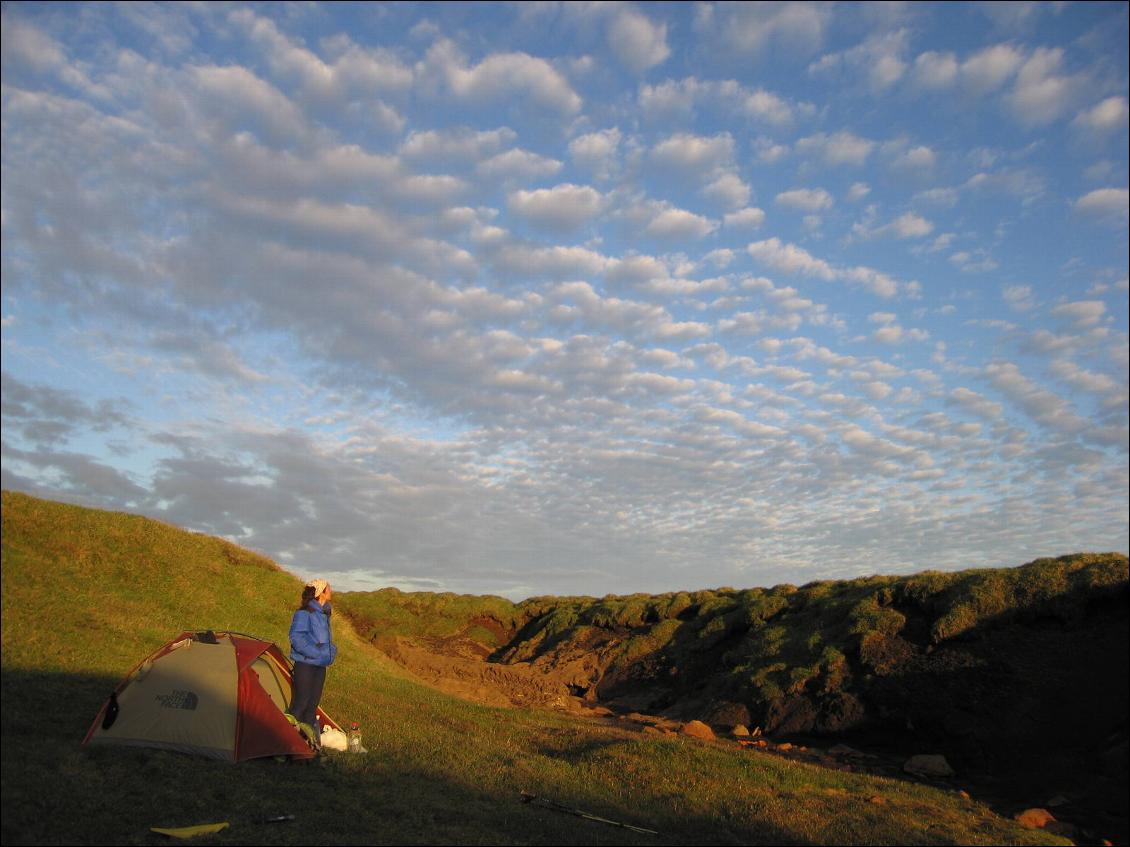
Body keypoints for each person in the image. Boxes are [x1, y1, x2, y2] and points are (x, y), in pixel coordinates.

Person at [288, 578, 337, 748]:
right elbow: (296, 638)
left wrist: (330, 652)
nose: (331, 590)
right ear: (321, 592)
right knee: (300, 704)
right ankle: (285, 742)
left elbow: (322, 641)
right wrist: (317, 653)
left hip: (319, 666)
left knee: (312, 706)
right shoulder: (304, 613)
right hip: (306, 665)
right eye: (328, 588)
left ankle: (309, 745)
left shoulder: (324, 614)